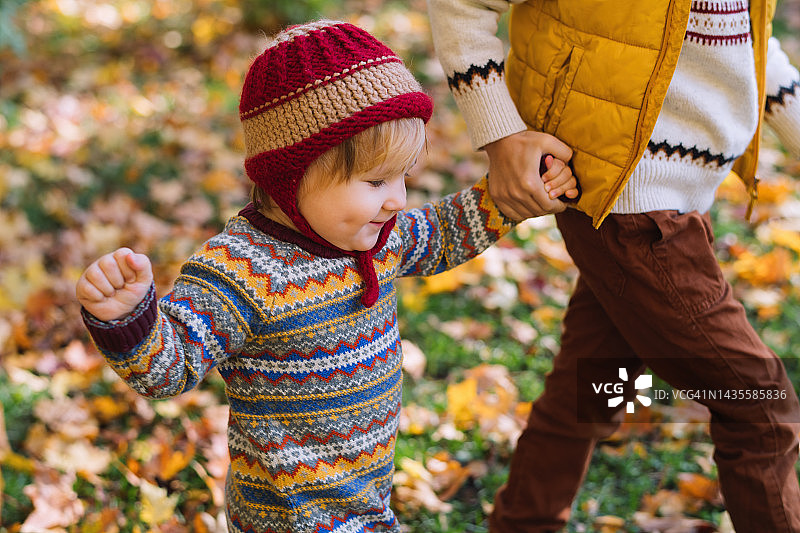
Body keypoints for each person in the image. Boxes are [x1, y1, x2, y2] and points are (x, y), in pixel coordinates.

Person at [76, 20, 577, 533]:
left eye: (405, 177)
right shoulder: (242, 271)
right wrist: (129, 321)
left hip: (365, 503)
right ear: (293, 175)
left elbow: (443, 233)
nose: (397, 199)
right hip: (291, 518)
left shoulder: (376, 235)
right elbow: (170, 366)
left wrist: (508, 196)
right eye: (377, 180)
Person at [428, 0, 800, 531]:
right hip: (634, 213)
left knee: (594, 387)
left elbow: (747, 41)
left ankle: (523, 522)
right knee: (758, 407)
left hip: (672, 206)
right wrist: (501, 134)